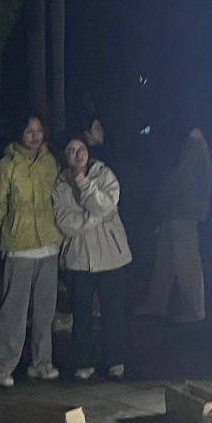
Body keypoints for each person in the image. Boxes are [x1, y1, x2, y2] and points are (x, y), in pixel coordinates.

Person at [0, 115, 63, 385]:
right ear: (19, 133)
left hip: (49, 246)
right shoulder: (6, 166)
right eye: (29, 130)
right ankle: (1, 367)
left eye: (39, 130)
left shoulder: (50, 162)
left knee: (45, 311)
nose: (35, 136)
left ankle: (41, 363)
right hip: (19, 247)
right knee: (14, 311)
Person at [53, 134, 133, 380]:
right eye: (71, 150)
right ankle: (84, 362)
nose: (77, 155)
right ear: (64, 156)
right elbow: (66, 223)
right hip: (79, 258)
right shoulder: (60, 184)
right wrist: (97, 216)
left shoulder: (105, 175)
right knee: (81, 314)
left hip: (111, 255)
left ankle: (115, 360)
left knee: (113, 312)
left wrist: (83, 183)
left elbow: (108, 203)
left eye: (81, 149)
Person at [139, 127, 212, 322]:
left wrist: (159, 205)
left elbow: (177, 183)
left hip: (182, 214)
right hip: (178, 213)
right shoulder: (199, 154)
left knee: (186, 264)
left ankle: (194, 310)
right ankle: (157, 305)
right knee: (166, 261)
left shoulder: (192, 154)